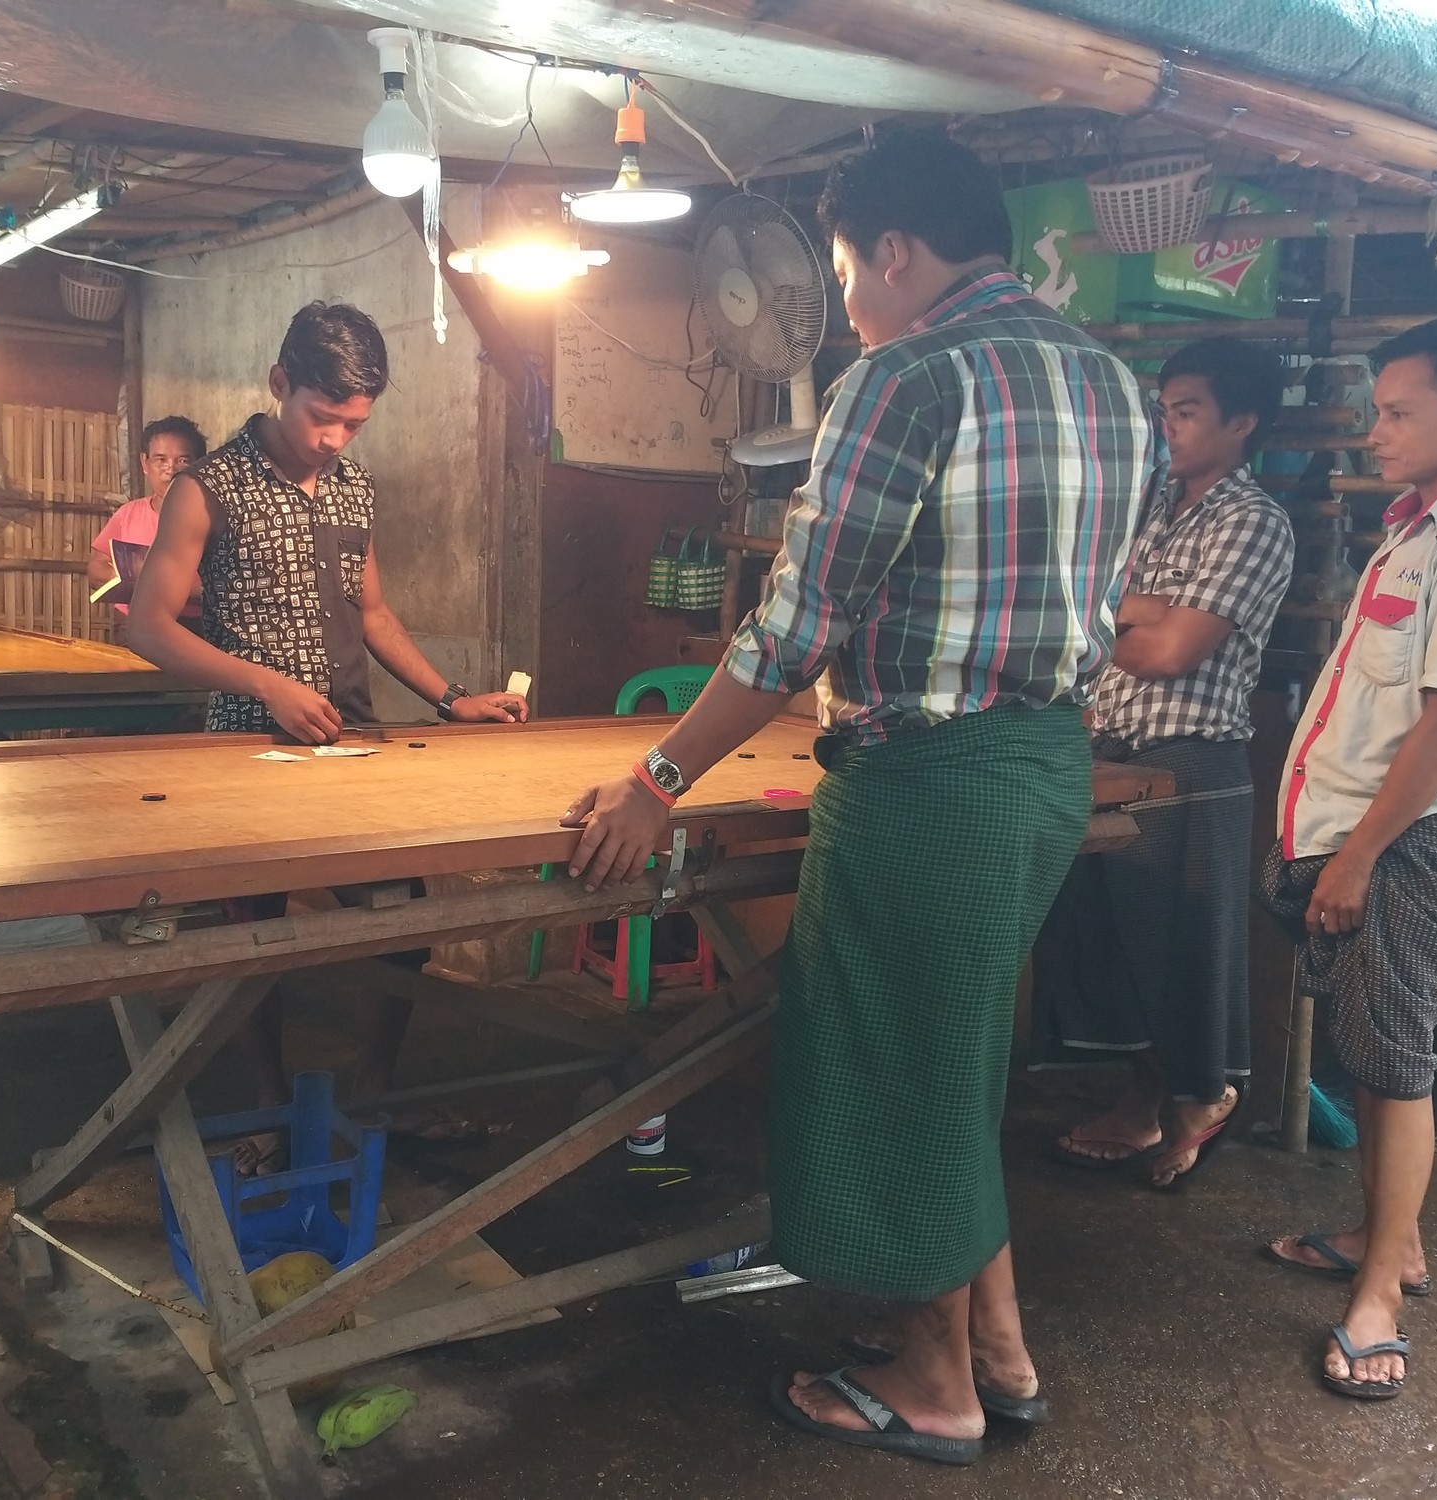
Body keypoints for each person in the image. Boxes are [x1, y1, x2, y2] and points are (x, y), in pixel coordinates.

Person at [562, 129, 1152, 1464]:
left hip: (930, 785)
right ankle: (996, 1350)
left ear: (893, 249)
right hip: (1047, 767)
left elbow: (796, 622)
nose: (848, 301)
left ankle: (934, 1381)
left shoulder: (906, 374)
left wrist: (662, 777)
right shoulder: (1112, 382)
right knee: (951, 1060)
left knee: (894, 1070)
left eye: (843, 270)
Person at [127, 302, 529, 1153]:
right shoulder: (209, 487)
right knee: (251, 936)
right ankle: (274, 1111)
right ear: (280, 385)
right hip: (245, 742)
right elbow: (150, 625)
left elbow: (373, 613)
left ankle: (375, 1094)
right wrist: (265, 684)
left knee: (395, 914)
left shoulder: (354, 486)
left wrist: (451, 695)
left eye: (354, 423)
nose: (336, 439)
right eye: (322, 417)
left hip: (351, 739)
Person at [1258, 317, 1437, 1400]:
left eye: (1395, 412)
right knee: (1373, 1049)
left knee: (1396, 1058)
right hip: (1365, 830)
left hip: (1406, 836)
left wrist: (1360, 855)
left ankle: (1378, 1295)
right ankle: (1392, 1240)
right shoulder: (1416, 529)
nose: (1371, 431)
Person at [1034, 337, 1296, 1188]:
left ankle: (1198, 1095)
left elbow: (1169, 651)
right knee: (1099, 936)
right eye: (1164, 409)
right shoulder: (1148, 506)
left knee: (1173, 943)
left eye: (1187, 412)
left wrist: (1121, 611)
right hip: (1103, 747)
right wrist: (1131, 610)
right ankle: (1148, 1099)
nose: (1167, 427)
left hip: (1189, 763)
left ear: (1242, 422)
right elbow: (1078, 600)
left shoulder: (1253, 522)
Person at [88, 415, 209, 619]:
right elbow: (95, 569)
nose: (170, 470)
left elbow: (230, 585)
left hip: (192, 626)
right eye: (160, 459)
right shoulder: (128, 514)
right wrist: (128, 580)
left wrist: (178, 588)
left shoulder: (213, 521)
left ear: (199, 465)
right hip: (133, 622)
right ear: (145, 463)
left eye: (182, 460)